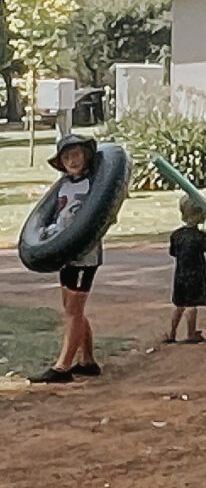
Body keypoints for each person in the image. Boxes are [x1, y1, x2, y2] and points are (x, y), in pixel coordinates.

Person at [31, 133, 106, 384]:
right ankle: (87, 361)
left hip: (85, 256)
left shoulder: (93, 185)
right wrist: (49, 234)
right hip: (65, 255)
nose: (72, 160)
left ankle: (62, 367)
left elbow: (98, 214)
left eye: (76, 155)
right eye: (66, 157)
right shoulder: (63, 186)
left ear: (85, 157)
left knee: (73, 311)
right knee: (72, 309)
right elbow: (58, 217)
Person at [166, 197, 206, 343]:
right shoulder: (200, 236)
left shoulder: (176, 235)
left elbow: (172, 252)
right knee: (192, 305)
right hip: (196, 275)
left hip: (180, 274)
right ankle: (191, 333)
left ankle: (172, 333)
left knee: (179, 305)